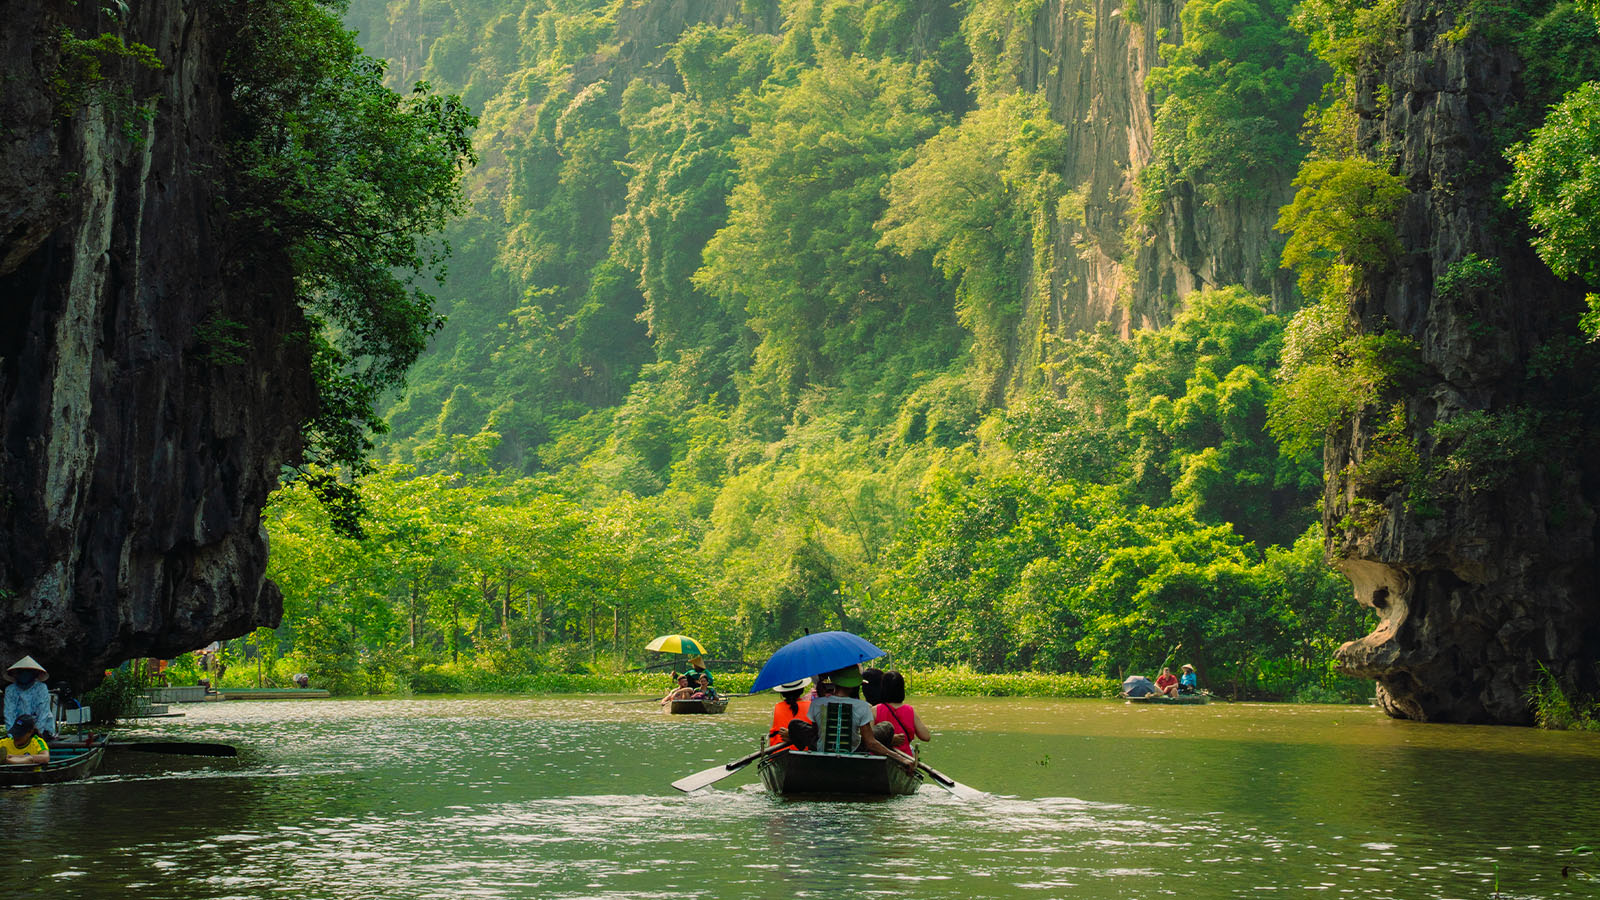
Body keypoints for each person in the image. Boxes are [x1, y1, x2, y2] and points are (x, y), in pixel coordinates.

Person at [807, 666, 913, 771]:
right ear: (854, 685)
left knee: (797, 725)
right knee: (886, 726)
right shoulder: (863, 706)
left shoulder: (816, 704)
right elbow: (870, 743)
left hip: (822, 754)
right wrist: (901, 759)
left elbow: (816, 735)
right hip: (852, 754)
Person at [874, 670, 932, 757]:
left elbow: (868, 739)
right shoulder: (910, 710)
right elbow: (926, 736)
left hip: (881, 758)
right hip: (905, 759)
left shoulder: (875, 710)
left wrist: (887, 740)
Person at [4, 656, 56, 739]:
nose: (24, 674)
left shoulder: (41, 688)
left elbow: (43, 713)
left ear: (34, 674)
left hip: (41, 729)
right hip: (19, 728)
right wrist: (11, 734)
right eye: (21, 671)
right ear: (16, 674)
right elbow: (9, 713)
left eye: (28, 671)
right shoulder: (10, 690)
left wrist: (37, 733)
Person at [768, 678, 812, 747]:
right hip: (805, 754)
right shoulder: (812, 706)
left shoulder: (776, 708)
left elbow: (771, 735)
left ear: (783, 693)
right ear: (801, 690)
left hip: (779, 753)